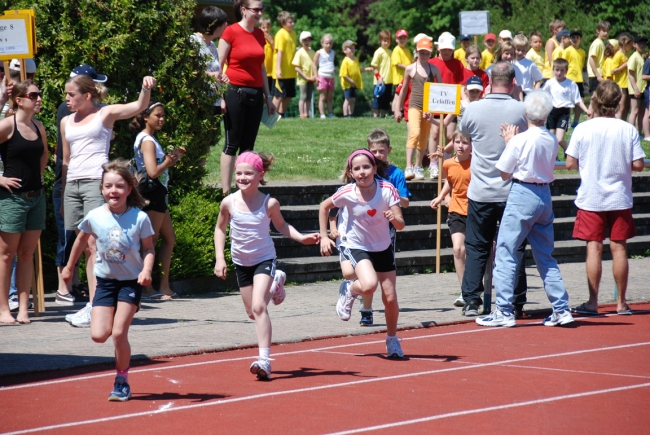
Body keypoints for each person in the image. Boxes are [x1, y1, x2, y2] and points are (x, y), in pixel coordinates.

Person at [61, 73, 157, 328]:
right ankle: (97, 302)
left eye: (72, 94)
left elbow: (138, 107)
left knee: (94, 245)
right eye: (67, 94)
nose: (67, 99)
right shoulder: (66, 121)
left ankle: (95, 306)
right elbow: (66, 160)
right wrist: (63, 192)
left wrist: (145, 86)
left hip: (96, 182)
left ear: (87, 95)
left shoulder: (104, 114)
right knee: (81, 241)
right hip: (73, 184)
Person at [214, 151, 319, 379]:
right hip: (241, 262)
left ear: (260, 175)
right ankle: (276, 284)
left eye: (248, 173)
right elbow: (220, 228)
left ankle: (264, 361)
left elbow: (281, 226)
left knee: (260, 307)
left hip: (264, 259)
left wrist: (301, 238)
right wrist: (220, 258)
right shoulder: (228, 202)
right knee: (252, 312)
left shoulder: (269, 203)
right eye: (239, 173)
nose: (242, 177)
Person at [477, 90, 574, 328]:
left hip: (523, 192)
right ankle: (561, 308)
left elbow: (504, 172)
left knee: (505, 251)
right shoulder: (551, 139)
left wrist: (510, 142)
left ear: (526, 113)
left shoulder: (521, 139)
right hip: (544, 194)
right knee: (545, 255)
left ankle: (504, 310)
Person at [62, 159, 155, 401]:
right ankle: (116, 314)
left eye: (119, 186)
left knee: (118, 333)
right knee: (98, 335)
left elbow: (149, 248)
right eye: (108, 186)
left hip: (130, 282)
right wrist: (69, 269)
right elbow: (81, 240)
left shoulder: (139, 218)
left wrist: (146, 270)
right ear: (102, 189)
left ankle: (121, 381)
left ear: (129, 189)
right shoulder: (95, 216)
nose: (113, 191)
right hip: (105, 282)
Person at [566, 81, 646, 315]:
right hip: (619, 196)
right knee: (619, 248)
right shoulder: (627, 129)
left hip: (592, 195)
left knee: (594, 248)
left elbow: (569, 163)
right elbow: (639, 164)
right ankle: (621, 302)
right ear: (618, 102)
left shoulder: (583, 128)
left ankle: (593, 302)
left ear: (595, 101)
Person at [458, 62, 529, 317]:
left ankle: (471, 300)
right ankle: (517, 301)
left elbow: (463, 132)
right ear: (512, 82)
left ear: (488, 81)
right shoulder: (522, 109)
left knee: (477, 246)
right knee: (514, 246)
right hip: (512, 190)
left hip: (481, 190)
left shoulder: (475, 109)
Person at [319, 149, 405, 358]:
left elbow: (401, 225)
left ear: (375, 168)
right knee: (368, 284)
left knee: (391, 297)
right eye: (356, 169)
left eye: (366, 167)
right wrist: (324, 236)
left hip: (383, 246)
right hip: (355, 244)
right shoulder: (346, 192)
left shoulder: (388, 189)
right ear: (351, 172)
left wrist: (392, 217)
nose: (362, 172)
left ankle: (392, 340)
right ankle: (350, 290)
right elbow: (324, 207)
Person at [0, 80, 48, 324]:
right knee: (6, 255)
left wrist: (39, 174)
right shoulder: (8, 125)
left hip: (36, 198)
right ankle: (3, 309)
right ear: (19, 100)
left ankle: (23, 309)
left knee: (27, 253)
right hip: (12, 200)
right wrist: (0, 179)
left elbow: (45, 154)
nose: (38, 99)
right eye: (33, 95)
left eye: (39, 95)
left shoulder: (39, 126)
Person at [217, 0, 276, 195]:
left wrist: (268, 96)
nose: (259, 13)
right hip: (234, 91)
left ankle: (245, 188)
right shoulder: (231, 32)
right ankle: (226, 192)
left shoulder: (259, 34)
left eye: (261, 9)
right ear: (243, 10)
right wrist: (220, 97)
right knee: (231, 143)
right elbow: (219, 65)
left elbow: (261, 66)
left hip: (256, 93)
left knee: (248, 144)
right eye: (255, 9)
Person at [131, 101, 185, 300]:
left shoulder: (149, 139)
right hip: (153, 195)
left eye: (163, 116)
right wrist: (169, 162)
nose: (161, 119)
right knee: (150, 242)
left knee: (169, 238)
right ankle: (147, 287)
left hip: (159, 194)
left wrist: (172, 159)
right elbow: (153, 172)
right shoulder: (147, 141)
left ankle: (164, 286)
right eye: (157, 116)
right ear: (146, 117)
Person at [357, 129, 410, 325]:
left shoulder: (396, 174)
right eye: (374, 151)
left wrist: (394, 194)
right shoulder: (364, 170)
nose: (378, 155)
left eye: (381, 151)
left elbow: (405, 204)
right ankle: (366, 309)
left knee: (383, 271)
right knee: (365, 268)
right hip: (363, 227)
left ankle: (380, 304)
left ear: (389, 150)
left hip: (387, 228)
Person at [430, 131, 471, 307]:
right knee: (458, 249)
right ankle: (465, 292)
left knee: (476, 251)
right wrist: (441, 197)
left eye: (465, 142)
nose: (460, 146)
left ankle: (478, 284)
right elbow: (450, 181)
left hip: (475, 210)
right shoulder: (448, 163)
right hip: (456, 209)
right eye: (457, 142)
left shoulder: (477, 162)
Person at [394, 35, 441, 180]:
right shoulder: (410, 69)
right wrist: (398, 109)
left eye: (427, 53)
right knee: (414, 133)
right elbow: (403, 91)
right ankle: (409, 166)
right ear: (417, 52)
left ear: (431, 53)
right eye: (422, 52)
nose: (424, 55)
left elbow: (442, 89)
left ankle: (419, 165)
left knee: (423, 138)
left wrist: (436, 107)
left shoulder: (433, 69)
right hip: (414, 105)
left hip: (428, 108)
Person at [429, 32, 467, 178]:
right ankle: (433, 164)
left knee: (450, 134)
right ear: (438, 48)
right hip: (435, 103)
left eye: (449, 49)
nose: (446, 52)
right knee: (435, 133)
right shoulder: (432, 63)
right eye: (444, 49)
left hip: (451, 104)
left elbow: (461, 84)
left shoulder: (458, 64)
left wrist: (461, 102)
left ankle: (446, 162)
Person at [542, 58, 590, 152]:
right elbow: (541, 95)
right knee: (551, 138)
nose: (559, 73)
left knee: (559, 139)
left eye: (562, 70)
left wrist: (586, 110)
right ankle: (554, 158)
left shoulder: (571, 84)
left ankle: (568, 151)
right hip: (552, 112)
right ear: (553, 70)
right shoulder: (549, 83)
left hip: (564, 112)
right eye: (557, 70)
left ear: (566, 71)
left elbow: (578, 101)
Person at [190, 6, 229, 118]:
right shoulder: (193, 41)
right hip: (198, 102)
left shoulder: (212, 45)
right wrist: (211, 75)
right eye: (223, 23)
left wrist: (221, 98)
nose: (226, 26)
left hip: (213, 102)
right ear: (213, 25)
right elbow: (189, 70)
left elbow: (217, 73)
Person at [272, 11, 297, 117]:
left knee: (289, 95)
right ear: (283, 23)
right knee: (279, 95)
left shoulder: (294, 33)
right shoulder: (280, 34)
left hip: (290, 71)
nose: (292, 24)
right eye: (289, 22)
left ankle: (280, 115)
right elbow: (279, 53)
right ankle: (270, 116)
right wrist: (278, 69)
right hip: (281, 70)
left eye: (292, 22)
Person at [564, 30, 587, 127]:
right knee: (568, 101)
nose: (574, 39)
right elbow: (564, 65)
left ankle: (576, 121)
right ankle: (567, 121)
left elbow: (581, 65)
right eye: (572, 37)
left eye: (577, 37)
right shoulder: (567, 51)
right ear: (569, 39)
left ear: (580, 39)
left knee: (580, 101)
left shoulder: (582, 52)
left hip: (579, 79)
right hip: (569, 79)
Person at [292, 31, 316, 119]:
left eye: (309, 40)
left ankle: (306, 113)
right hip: (303, 79)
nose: (307, 42)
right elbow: (296, 67)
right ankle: (302, 114)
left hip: (311, 78)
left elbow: (315, 65)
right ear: (301, 42)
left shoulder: (313, 52)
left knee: (309, 97)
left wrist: (314, 76)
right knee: (303, 96)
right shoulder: (299, 52)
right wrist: (305, 76)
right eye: (305, 40)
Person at [587, 20, 611, 109]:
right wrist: (597, 75)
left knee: (598, 99)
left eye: (607, 31)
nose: (606, 33)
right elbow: (591, 60)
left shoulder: (601, 43)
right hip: (595, 75)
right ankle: (590, 119)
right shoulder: (597, 43)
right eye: (603, 31)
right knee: (594, 99)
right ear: (598, 31)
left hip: (599, 74)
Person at [370, 30, 393, 118]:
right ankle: (375, 115)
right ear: (380, 41)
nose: (386, 42)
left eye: (388, 40)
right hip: (380, 81)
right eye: (384, 40)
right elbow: (374, 67)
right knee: (378, 98)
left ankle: (383, 115)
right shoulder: (378, 52)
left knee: (386, 99)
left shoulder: (390, 52)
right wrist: (378, 77)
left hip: (389, 80)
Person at [627, 35, 648, 135]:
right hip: (635, 89)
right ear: (634, 45)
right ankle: (630, 133)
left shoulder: (641, 56)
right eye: (640, 43)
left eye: (644, 43)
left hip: (642, 88)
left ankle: (638, 132)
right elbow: (630, 74)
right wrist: (635, 89)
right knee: (634, 111)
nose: (642, 45)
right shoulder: (634, 57)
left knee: (641, 112)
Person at [313, 33, 336, 119]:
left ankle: (330, 113)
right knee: (322, 97)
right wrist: (316, 76)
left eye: (330, 43)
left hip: (331, 77)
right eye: (326, 43)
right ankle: (322, 114)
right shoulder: (319, 52)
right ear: (322, 43)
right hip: (322, 76)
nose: (328, 45)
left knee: (330, 97)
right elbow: (314, 64)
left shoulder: (333, 52)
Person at [611, 33, 632, 120]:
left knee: (626, 108)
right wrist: (624, 66)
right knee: (621, 107)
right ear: (624, 44)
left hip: (626, 84)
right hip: (620, 84)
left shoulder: (625, 55)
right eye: (630, 44)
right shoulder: (618, 55)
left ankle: (623, 123)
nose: (631, 46)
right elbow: (613, 71)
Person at [340, 40, 363, 118]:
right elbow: (343, 75)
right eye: (350, 48)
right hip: (347, 84)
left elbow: (357, 70)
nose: (352, 50)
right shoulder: (345, 61)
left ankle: (351, 114)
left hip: (354, 84)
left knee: (353, 99)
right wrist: (351, 81)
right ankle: (345, 115)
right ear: (344, 50)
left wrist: (365, 69)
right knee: (348, 99)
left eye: (353, 48)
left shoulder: (356, 59)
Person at [391, 29, 413, 101]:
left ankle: (400, 111)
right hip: (399, 79)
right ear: (396, 40)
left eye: (404, 38)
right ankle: (394, 112)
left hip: (406, 79)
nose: (402, 40)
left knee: (404, 97)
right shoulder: (396, 50)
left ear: (407, 39)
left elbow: (411, 62)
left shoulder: (407, 50)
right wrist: (409, 69)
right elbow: (397, 64)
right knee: (398, 97)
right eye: (400, 38)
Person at [259, 17, 275, 93]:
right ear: (259, 28)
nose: (266, 29)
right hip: (261, 70)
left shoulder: (272, 38)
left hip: (270, 71)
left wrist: (271, 42)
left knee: (268, 92)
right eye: (263, 27)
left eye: (268, 27)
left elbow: (276, 51)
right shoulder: (258, 38)